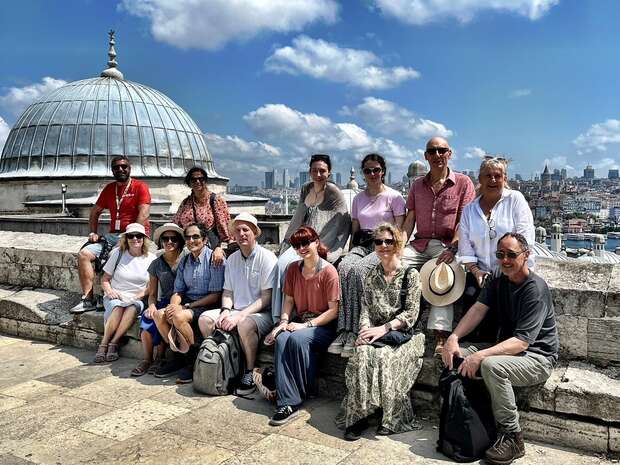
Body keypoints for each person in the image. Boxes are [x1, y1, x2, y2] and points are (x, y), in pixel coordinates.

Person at [442, 232, 559, 465]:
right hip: (509, 350)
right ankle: (472, 421)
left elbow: (522, 342)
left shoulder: (535, 289)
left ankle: (512, 436)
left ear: (526, 255)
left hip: (538, 357)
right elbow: (478, 309)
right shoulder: (498, 277)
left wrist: (481, 355)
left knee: (492, 366)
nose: (505, 260)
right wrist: (453, 338)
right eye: (500, 255)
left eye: (511, 255)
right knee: (456, 355)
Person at [337, 223, 425, 440]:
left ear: (397, 244)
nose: (384, 246)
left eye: (389, 241)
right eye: (379, 242)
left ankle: (391, 417)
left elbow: (411, 315)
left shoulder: (410, 275)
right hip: (376, 331)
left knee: (384, 356)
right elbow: (365, 308)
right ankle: (359, 416)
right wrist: (364, 330)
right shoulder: (371, 275)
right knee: (362, 354)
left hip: (403, 334)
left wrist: (383, 329)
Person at [401, 137, 475, 355]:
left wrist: (452, 248)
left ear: (449, 153)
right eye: (432, 151)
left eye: (442, 150)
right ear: (426, 156)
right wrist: (398, 246)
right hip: (420, 243)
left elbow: (464, 222)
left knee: (446, 273)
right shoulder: (417, 186)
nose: (437, 155)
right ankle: (394, 321)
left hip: (447, 244)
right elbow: (409, 220)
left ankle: (441, 334)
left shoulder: (463, 183)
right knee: (393, 265)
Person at [329, 153, 406, 357]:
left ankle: (356, 330)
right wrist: (350, 252)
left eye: (376, 170)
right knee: (344, 268)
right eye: (368, 170)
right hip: (362, 244)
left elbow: (399, 231)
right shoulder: (358, 199)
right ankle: (344, 330)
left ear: (383, 172)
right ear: (363, 174)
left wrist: (394, 251)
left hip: (383, 245)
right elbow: (355, 229)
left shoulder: (394, 197)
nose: (372, 174)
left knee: (360, 271)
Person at [264, 226, 340, 426]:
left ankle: (290, 401)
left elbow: (334, 311)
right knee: (282, 338)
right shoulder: (292, 269)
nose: (302, 248)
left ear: (316, 242)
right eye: (297, 245)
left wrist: (305, 325)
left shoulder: (329, 271)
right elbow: (288, 301)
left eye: (305, 243)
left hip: (323, 325)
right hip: (299, 321)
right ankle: (287, 395)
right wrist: (283, 323)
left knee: (297, 338)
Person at [197, 213, 277, 395]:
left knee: (244, 324)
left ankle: (248, 370)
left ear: (255, 233)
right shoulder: (232, 259)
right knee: (205, 319)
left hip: (262, 312)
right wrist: (225, 310)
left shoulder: (267, 257)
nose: (241, 234)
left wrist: (240, 315)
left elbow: (267, 297)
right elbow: (228, 291)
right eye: (238, 230)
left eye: (246, 230)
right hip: (235, 309)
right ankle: (226, 363)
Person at [272, 154, 350, 323]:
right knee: (280, 265)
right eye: (315, 170)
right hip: (301, 241)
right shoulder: (306, 189)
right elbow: (298, 218)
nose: (318, 174)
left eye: (322, 171)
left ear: (329, 173)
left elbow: (343, 221)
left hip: (320, 243)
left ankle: (289, 314)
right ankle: (279, 316)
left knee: (289, 266)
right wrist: (288, 242)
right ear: (309, 171)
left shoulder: (333, 192)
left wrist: (334, 248)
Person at [73, 156, 151, 313]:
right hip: (113, 235)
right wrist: (93, 232)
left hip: (134, 234)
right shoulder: (110, 189)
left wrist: (129, 235)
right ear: (112, 170)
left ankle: (107, 296)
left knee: (115, 253)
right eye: (116, 167)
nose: (120, 169)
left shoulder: (140, 186)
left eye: (124, 166)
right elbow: (94, 212)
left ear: (130, 168)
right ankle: (88, 299)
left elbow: (144, 213)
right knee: (84, 254)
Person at [151, 223, 225, 383]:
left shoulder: (213, 259)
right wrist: (173, 305)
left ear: (205, 240)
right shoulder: (185, 261)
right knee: (159, 314)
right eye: (188, 237)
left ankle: (192, 360)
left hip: (207, 305)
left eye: (196, 236)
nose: (191, 240)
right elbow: (178, 290)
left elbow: (215, 295)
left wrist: (186, 306)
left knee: (178, 317)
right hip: (187, 303)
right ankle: (178, 356)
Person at [459, 157, 535, 287]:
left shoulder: (515, 200)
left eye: (497, 176)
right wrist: (476, 272)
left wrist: (504, 273)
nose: (492, 180)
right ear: (480, 179)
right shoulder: (469, 210)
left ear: (504, 179)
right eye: (488, 176)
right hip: (480, 278)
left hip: (514, 277)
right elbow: (465, 248)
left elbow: (525, 240)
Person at [93, 223, 156, 363]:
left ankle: (112, 343)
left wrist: (136, 296)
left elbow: (151, 287)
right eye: (131, 236)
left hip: (138, 297)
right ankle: (104, 344)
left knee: (132, 307)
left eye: (138, 236)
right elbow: (105, 279)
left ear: (144, 239)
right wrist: (109, 291)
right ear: (126, 239)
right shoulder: (118, 254)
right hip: (116, 295)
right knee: (118, 307)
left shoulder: (152, 258)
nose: (135, 239)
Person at [131, 223, 185, 377]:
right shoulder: (156, 264)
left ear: (179, 241)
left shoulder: (186, 259)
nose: (169, 242)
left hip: (182, 300)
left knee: (163, 318)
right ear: (161, 241)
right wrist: (152, 305)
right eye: (165, 239)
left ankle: (160, 358)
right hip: (163, 300)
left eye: (173, 239)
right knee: (148, 321)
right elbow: (153, 293)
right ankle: (147, 359)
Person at [174, 166, 231, 266]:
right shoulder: (186, 203)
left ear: (205, 181)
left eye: (201, 179)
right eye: (193, 179)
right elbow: (176, 225)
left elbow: (225, 229)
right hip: (190, 249)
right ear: (189, 182)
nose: (197, 181)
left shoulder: (215, 200)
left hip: (210, 251)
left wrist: (220, 248)